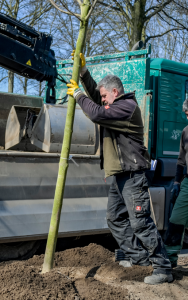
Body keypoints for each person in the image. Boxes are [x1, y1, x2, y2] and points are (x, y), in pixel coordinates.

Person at [66, 51, 172, 284]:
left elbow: (94, 112)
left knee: (140, 222)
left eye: (105, 96)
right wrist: (84, 73)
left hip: (133, 175)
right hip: (119, 174)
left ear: (115, 92)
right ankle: (141, 259)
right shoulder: (115, 104)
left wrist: (77, 94)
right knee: (114, 218)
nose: (102, 99)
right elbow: (95, 99)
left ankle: (163, 268)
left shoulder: (127, 107)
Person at [164, 99, 188, 267]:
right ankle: (170, 261)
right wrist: (177, 183)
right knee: (176, 218)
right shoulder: (186, 132)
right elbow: (180, 161)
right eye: (186, 114)